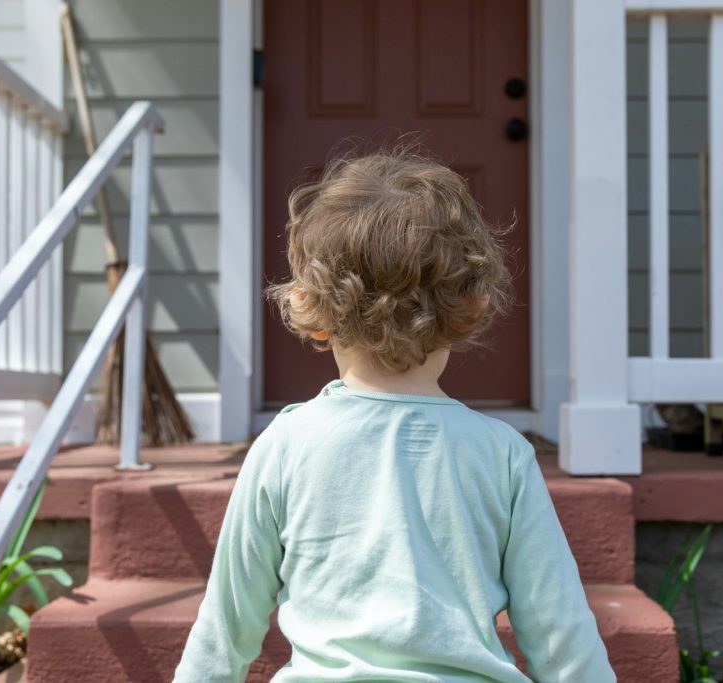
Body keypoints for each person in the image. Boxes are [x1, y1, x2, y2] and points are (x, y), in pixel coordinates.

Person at [173, 150, 616, 682]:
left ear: (312, 311)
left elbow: (225, 629)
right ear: (471, 309)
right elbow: (560, 635)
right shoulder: (502, 455)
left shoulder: (286, 444)